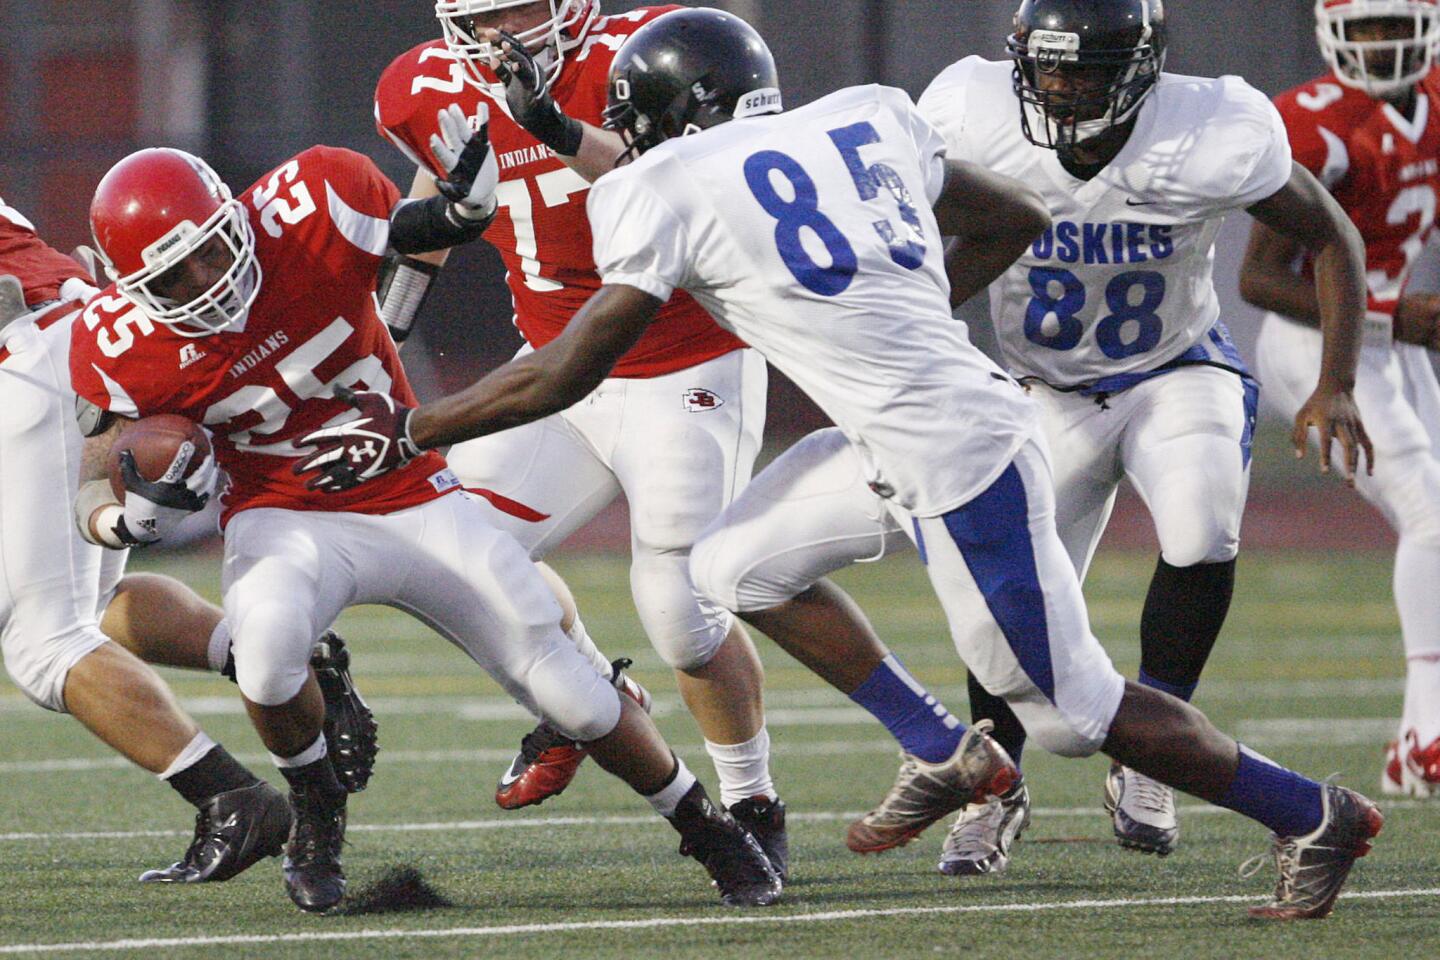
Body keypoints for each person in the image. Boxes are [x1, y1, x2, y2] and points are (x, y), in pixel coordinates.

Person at [302, 7, 1386, 921]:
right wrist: (910, 315)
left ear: (671, 118)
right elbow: (1010, 216)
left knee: (1073, 716)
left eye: (635, 123)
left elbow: (562, 375)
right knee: (728, 569)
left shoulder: (664, 184)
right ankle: (942, 746)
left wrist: (411, 431)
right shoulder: (868, 114)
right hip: (908, 428)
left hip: (958, 452)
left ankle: (1314, 813)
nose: (623, 141)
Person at [655, 0, 1383, 878]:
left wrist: (1336, 382)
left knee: (1188, 537)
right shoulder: (964, 107)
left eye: (1082, 68)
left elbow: (1326, 231)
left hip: (1162, 368)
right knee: (962, 614)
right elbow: (914, 225)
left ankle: (1201, 780)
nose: (1059, 86)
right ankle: (972, 774)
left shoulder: (1214, 126)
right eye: (1043, 66)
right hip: (1026, 389)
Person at [69, 136, 780, 912]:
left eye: (208, 253)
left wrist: (455, 213)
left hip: (413, 491)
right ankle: (316, 812)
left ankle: (707, 827)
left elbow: (411, 230)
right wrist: (116, 520)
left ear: (232, 217)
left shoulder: (314, 199)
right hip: (285, 511)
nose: (204, 282)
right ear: (133, 288)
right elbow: (91, 471)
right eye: (172, 277)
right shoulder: (117, 341)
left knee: (572, 694)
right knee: (267, 650)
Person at [372, 0, 785, 871]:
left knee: (682, 611)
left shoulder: (654, 47)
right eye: (483, 16)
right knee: (454, 558)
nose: (503, 31)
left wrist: (554, 127)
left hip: (686, 358)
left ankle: (753, 800)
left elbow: (698, 176)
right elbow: (437, 213)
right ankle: (595, 692)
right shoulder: (430, 83)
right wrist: (382, 343)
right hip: (556, 369)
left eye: (521, 8)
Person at [0, 198, 313, 885]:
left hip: (31, 364)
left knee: (44, 640)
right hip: (67, 339)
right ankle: (272, 652)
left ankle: (231, 797)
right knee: (92, 597)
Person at [1241, 0, 1440, 798]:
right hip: (1320, 347)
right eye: (1365, 29)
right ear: (1334, 34)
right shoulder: (1313, 121)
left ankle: (1409, 747)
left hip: (1399, 341)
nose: (1383, 43)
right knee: (1431, 518)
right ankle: (1428, 734)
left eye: (1395, 25)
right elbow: (1259, 279)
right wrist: (1395, 316)